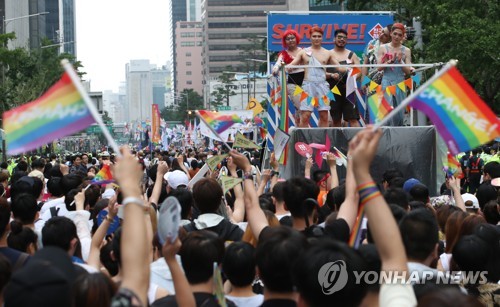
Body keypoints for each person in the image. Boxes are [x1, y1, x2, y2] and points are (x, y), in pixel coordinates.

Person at [288, 26, 345, 127]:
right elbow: (292, 65)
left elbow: (339, 67)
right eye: (314, 36)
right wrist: (284, 67)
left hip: (323, 86)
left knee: (324, 116)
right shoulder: (303, 52)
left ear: (322, 37)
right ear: (310, 37)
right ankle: (303, 141)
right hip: (307, 85)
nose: (316, 38)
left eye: (319, 36)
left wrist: (351, 68)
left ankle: (322, 141)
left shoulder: (328, 53)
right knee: (305, 115)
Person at [377, 23, 414, 126]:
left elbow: (408, 71)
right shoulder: (383, 48)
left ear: (403, 36)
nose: (397, 37)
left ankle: (398, 138)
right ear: (391, 34)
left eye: (400, 35)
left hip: (400, 82)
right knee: (386, 111)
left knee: (399, 113)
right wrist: (390, 62)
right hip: (387, 80)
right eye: (395, 34)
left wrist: (400, 61)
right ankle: (386, 137)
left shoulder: (406, 50)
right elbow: (379, 67)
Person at [328, 28, 362, 127]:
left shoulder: (352, 55)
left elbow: (359, 71)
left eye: (344, 38)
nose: (342, 39)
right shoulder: (328, 54)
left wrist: (352, 80)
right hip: (333, 92)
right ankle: (337, 142)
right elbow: (321, 72)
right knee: (335, 120)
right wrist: (331, 75)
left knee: (353, 119)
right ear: (334, 39)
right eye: (339, 37)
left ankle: (359, 143)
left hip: (349, 91)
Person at [272, 29, 304, 124]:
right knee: (300, 107)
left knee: (304, 109)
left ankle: (299, 130)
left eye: (292, 38)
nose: (290, 40)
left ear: (296, 39)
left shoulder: (303, 51)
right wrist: (275, 69)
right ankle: (300, 131)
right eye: (288, 39)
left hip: (305, 82)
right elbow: (278, 63)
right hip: (291, 82)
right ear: (285, 41)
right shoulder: (283, 54)